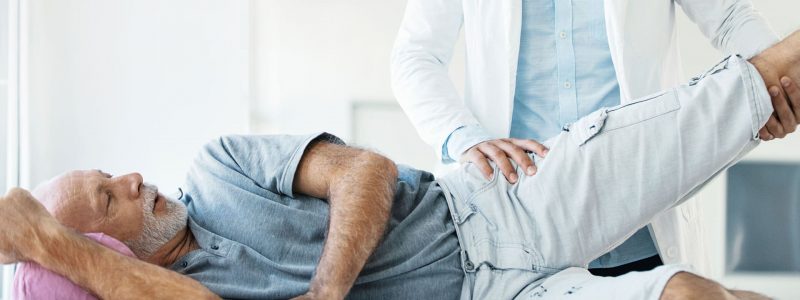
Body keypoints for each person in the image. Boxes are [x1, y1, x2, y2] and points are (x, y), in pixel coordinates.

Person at [2, 31, 800, 299]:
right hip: (493, 297)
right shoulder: (184, 290)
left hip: (500, 206)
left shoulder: (218, 169)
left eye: (116, 173)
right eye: (108, 196)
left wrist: (328, 290)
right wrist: (47, 245)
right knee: (691, 294)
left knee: (741, 95)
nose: (133, 179)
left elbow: (367, 171)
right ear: (104, 252)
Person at [391, 0, 798, 275]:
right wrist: (463, 136)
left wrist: (776, 95)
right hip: (522, 232)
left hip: (643, 227)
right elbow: (416, 54)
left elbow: (729, 17)